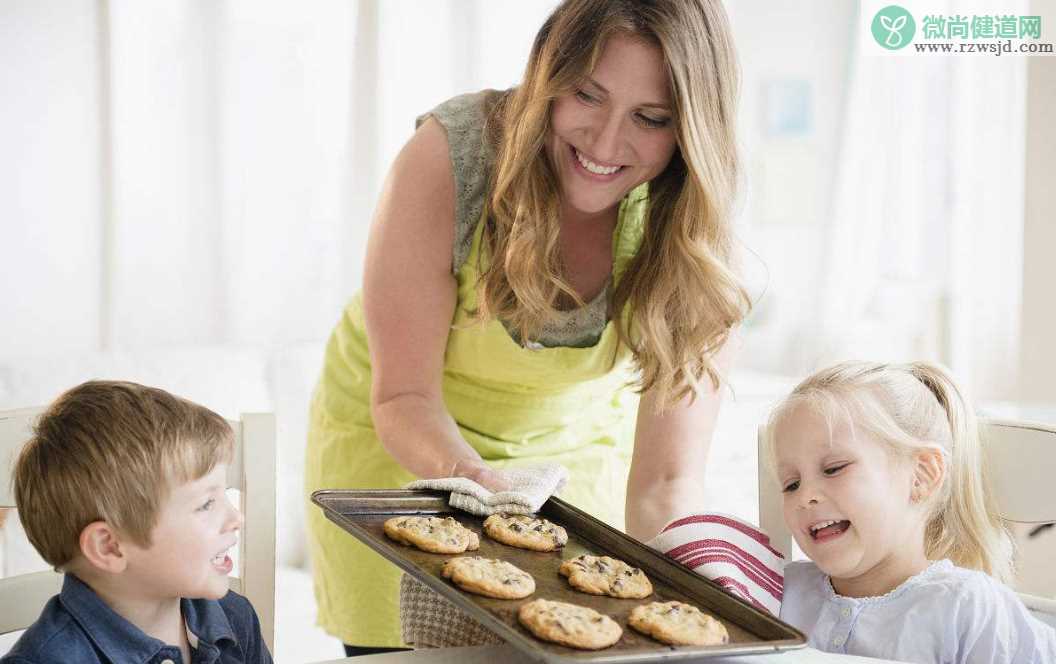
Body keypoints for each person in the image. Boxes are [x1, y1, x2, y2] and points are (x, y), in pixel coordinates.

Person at [305, 0, 751, 654]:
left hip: (567, 466)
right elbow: (405, 400)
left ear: (691, 128)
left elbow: (665, 483)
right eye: (585, 96)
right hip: (404, 447)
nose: (604, 144)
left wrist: (695, 589)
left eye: (650, 119)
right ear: (548, 76)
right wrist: (488, 490)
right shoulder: (448, 160)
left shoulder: (694, 238)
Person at [765, 361, 1056, 663]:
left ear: (921, 476)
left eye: (834, 468)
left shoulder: (967, 607)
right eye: (791, 484)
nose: (806, 496)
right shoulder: (777, 592)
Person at [2, 381, 273, 664]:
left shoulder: (235, 617)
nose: (236, 518)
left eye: (224, 493)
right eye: (206, 504)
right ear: (110, 547)